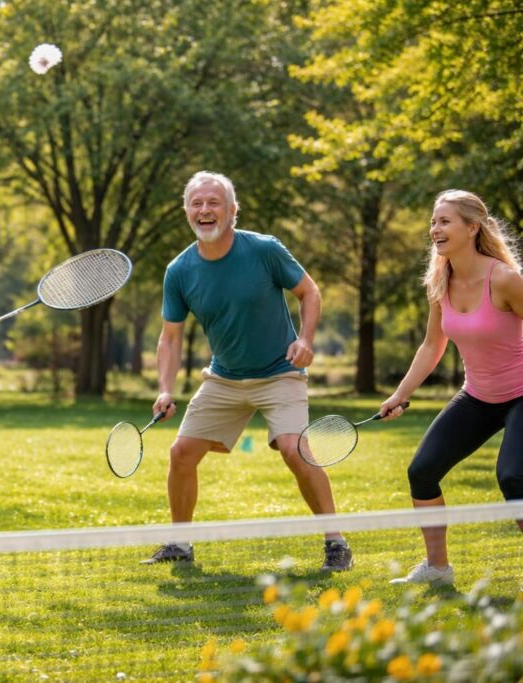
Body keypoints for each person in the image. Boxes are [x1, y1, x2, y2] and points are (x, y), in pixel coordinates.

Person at [144, 171, 353, 571]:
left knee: (294, 448)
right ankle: (179, 544)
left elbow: (309, 291)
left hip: (280, 371)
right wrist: (165, 389)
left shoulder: (264, 250)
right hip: (224, 377)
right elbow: (169, 338)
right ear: (187, 212)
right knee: (181, 453)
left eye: (214, 202)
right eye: (196, 203)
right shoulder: (179, 270)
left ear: (232, 211)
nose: (205, 210)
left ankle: (336, 542)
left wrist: (305, 340)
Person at [380, 189, 523, 586]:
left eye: (444, 221)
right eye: (433, 222)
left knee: (514, 478)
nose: (435, 229)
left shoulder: (506, 279)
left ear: (472, 227)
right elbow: (432, 345)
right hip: (478, 395)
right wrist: (400, 394)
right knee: (422, 471)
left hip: (521, 394)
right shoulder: (440, 282)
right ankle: (437, 569)